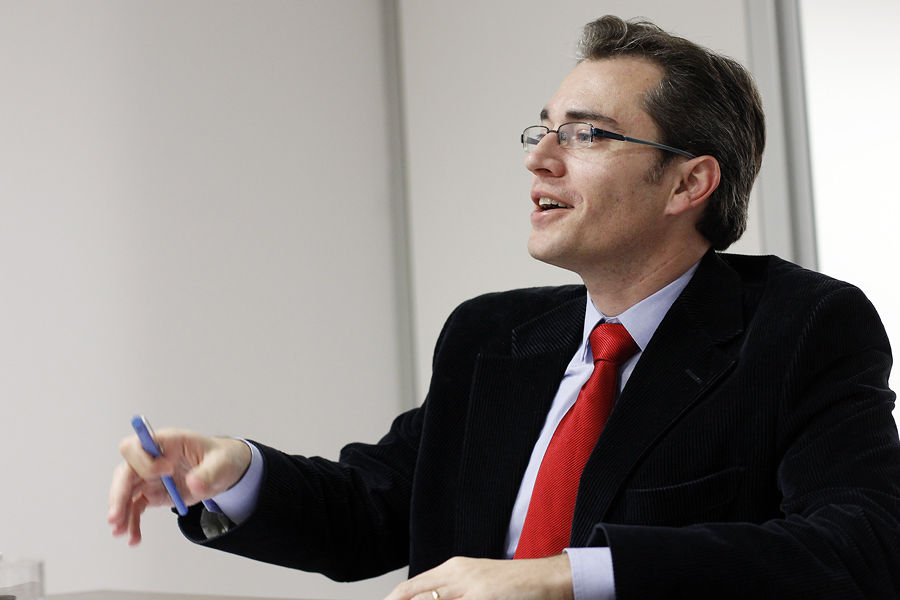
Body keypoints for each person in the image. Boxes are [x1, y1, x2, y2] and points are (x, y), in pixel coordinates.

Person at [108, 15, 900, 600]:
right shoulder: (492, 335)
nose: (539, 158)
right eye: (542, 130)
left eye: (585, 136)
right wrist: (234, 472)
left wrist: (565, 578)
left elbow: (858, 545)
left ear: (690, 184)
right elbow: (373, 507)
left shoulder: (802, 328)